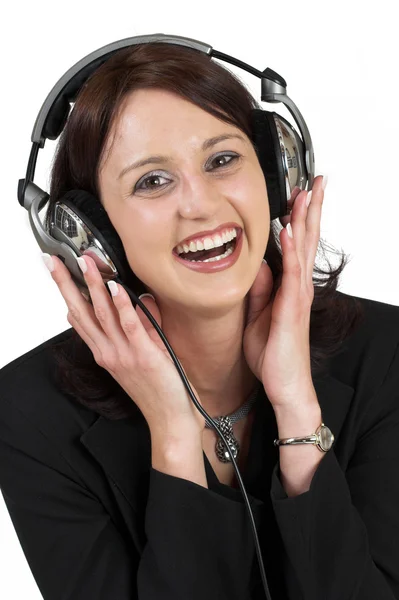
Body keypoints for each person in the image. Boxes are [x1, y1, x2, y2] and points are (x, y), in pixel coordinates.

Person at [1, 42, 399, 600]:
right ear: (89, 236)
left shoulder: (386, 355)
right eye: (152, 181)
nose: (202, 205)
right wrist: (174, 435)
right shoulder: (29, 412)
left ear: (275, 175)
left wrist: (297, 408)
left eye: (221, 160)